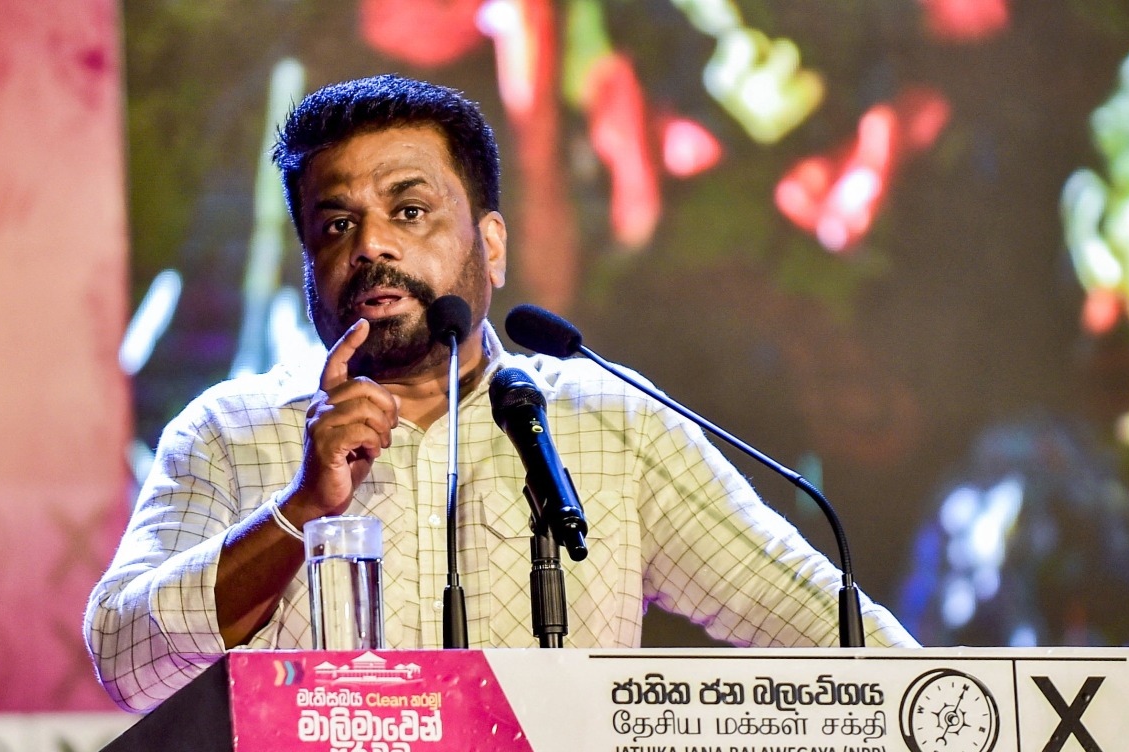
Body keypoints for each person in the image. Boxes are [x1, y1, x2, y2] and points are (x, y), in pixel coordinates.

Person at [85, 74, 919, 714]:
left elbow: (824, 630)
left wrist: (983, 740)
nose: (371, 242)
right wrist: (299, 511)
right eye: (335, 225)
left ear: (490, 245)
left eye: (409, 210)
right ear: (308, 264)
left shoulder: (605, 421)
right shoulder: (232, 431)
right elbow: (125, 659)